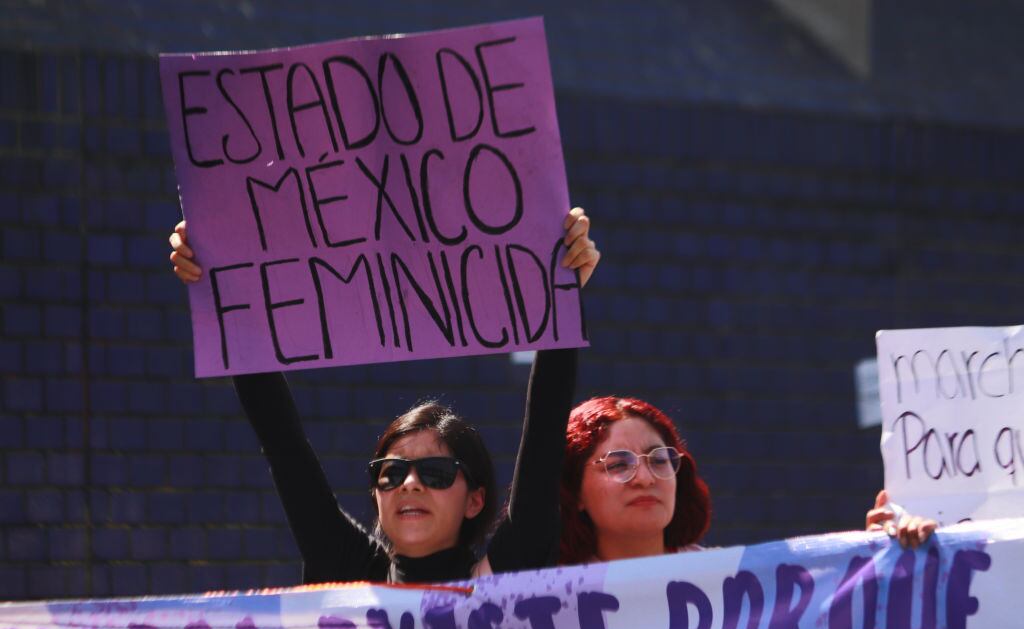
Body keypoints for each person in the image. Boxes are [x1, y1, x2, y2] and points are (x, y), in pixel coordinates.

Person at [169, 209, 599, 583]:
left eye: (435, 473)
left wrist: (561, 286)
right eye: (389, 474)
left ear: (475, 500)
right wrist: (219, 276)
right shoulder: (348, 571)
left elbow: (544, 431)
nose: (409, 485)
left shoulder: (506, 575)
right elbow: (282, 444)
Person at [559, 396, 937, 566]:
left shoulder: (733, 580)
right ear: (575, 491)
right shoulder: (549, 602)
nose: (644, 477)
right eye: (618, 464)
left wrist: (875, 557)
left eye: (660, 460)